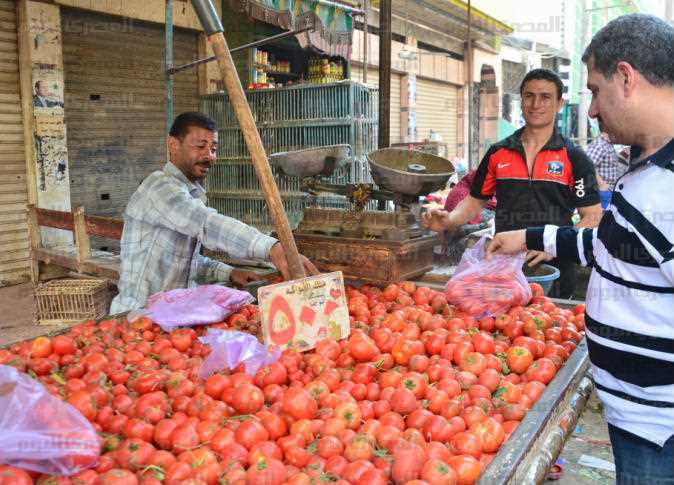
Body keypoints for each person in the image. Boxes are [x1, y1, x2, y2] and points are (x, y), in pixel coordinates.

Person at [487, 14, 674, 484]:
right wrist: (531, 237)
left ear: (626, 78)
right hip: (640, 419)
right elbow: (616, 247)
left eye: (594, 90)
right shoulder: (649, 170)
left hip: (661, 431)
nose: (591, 110)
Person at [110, 112, 318, 313]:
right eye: (200, 146)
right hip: (139, 317)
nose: (209, 155)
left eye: (213, 148)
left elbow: (185, 260)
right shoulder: (158, 188)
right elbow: (207, 224)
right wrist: (271, 248)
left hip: (172, 314)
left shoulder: (192, 193)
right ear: (173, 145)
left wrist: (230, 272)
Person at [422, 68, 603, 298]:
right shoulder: (498, 153)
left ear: (559, 104)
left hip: (555, 270)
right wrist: (449, 220)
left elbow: (592, 217)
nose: (536, 103)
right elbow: (476, 201)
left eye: (545, 97)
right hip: (503, 266)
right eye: (529, 96)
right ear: (521, 100)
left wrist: (553, 244)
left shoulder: (574, 157)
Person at [586, 131, 629, 208]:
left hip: (608, 190)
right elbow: (587, 165)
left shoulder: (607, 144)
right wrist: (601, 184)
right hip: (602, 192)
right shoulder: (599, 145)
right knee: (601, 218)